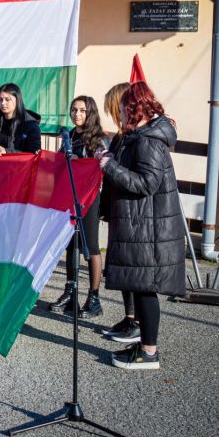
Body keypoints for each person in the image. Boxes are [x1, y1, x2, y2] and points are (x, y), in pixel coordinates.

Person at [98, 82, 185, 370]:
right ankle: (144, 343)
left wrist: (109, 166)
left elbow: (146, 184)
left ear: (134, 110)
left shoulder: (148, 141)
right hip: (142, 225)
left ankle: (149, 352)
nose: (120, 115)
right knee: (140, 285)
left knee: (146, 288)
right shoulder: (141, 137)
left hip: (149, 229)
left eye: (122, 109)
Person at [48, 95, 110, 318]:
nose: (77, 114)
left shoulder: (100, 138)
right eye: (74, 110)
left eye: (82, 110)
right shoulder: (69, 135)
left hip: (90, 199)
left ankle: (94, 298)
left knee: (91, 246)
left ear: (90, 112)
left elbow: (104, 168)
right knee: (71, 245)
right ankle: (70, 292)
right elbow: (58, 164)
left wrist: (80, 162)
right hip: (71, 198)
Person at [99, 82, 141, 343]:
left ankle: (137, 322)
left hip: (132, 213)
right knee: (123, 269)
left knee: (133, 269)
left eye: (113, 107)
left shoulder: (136, 138)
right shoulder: (119, 137)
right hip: (117, 208)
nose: (113, 113)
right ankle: (128, 318)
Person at [0, 83, 41, 155]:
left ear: (17, 100)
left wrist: (7, 152)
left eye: (7, 99)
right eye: (0, 99)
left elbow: (33, 154)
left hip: (19, 166)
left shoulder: (30, 125)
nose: (3, 103)